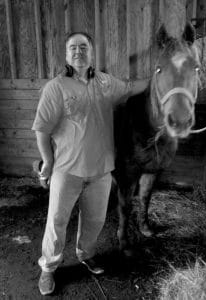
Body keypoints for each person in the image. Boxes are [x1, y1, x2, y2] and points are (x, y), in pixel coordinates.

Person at [32, 31, 150, 296]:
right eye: (73, 47)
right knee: (57, 221)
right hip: (67, 170)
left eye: (83, 47)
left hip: (100, 171)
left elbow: (131, 87)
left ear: (91, 52)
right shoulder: (56, 87)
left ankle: (86, 254)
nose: (78, 51)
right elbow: (42, 130)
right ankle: (48, 268)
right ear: (66, 54)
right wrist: (48, 162)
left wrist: (158, 77)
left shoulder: (106, 83)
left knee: (95, 221)